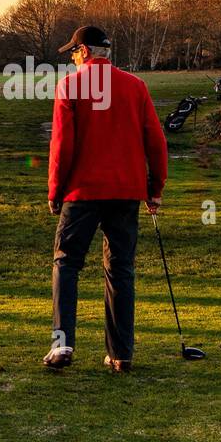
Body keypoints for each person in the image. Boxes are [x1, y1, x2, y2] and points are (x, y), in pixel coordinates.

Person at [45, 26, 168, 373]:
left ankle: (62, 343)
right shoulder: (136, 87)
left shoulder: (70, 86)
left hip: (82, 193)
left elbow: (62, 147)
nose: (71, 57)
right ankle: (120, 354)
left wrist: (55, 191)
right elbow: (156, 141)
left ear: (84, 51)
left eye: (72, 52)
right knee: (120, 269)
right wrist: (155, 188)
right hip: (126, 192)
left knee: (67, 264)